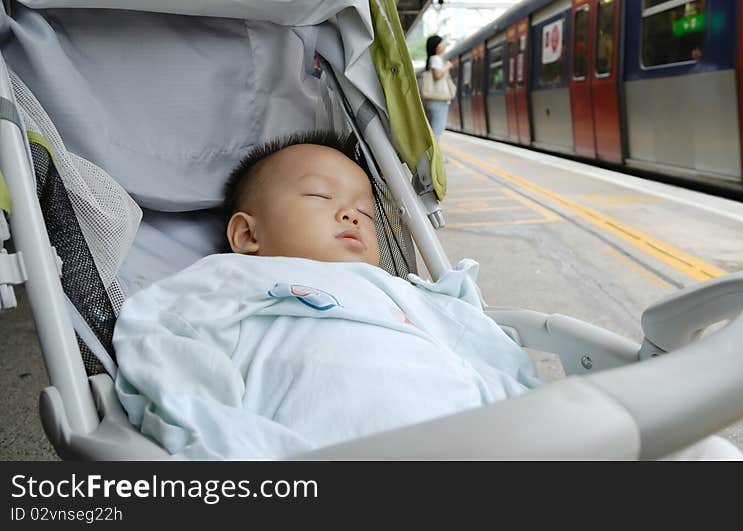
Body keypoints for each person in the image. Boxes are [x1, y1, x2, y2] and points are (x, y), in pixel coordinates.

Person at [112, 130, 541, 459]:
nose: (352, 213)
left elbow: (484, 350)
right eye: (319, 195)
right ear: (247, 234)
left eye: (367, 211)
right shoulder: (229, 278)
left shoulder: (401, 291)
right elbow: (168, 350)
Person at [420, 34, 455, 136]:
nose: (443, 45)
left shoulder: (431, 59)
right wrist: (447, 66)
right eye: (441, 43)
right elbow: (438, 75)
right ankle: (433, 152)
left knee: (432, 130)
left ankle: (430, 151)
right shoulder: (436, 59)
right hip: (438, 100)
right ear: (436, 46)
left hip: (431, 100)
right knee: (436, 132)